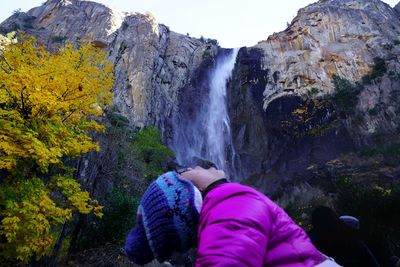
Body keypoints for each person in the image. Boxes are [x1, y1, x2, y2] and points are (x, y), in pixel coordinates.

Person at [125, 166, 340, 266]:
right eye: (183, 170)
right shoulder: (229, 207)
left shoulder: (226, 210)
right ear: (188, 196)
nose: (196, 165)